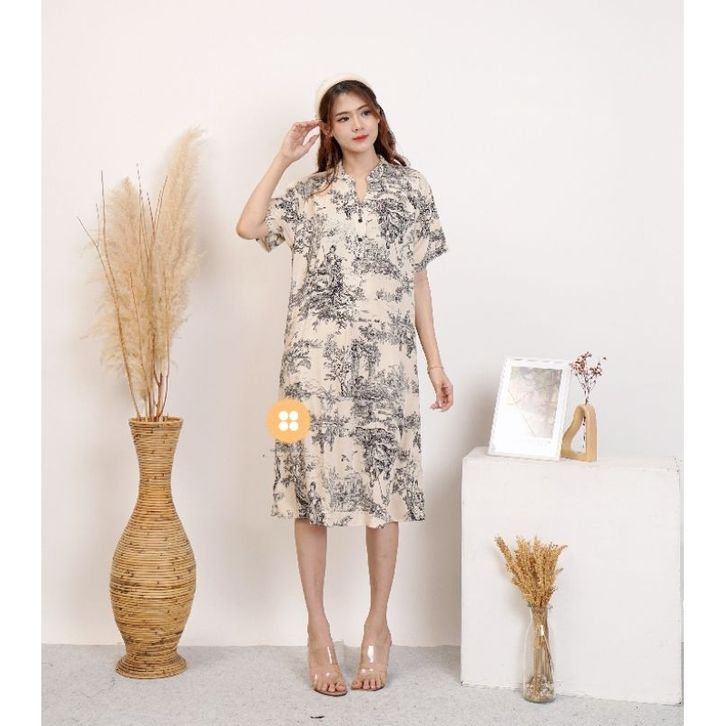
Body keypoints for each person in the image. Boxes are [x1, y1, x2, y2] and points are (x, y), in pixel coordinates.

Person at [236, 74, 453, 696]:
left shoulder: (411, 188)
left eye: (365, 112)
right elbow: (249, 227)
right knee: (310, 492)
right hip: (309, 372)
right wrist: (283, 158)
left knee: (384, 494)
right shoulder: (310, 193)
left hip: (388, 368)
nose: (358, 125)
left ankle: (378, 625)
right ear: (328, 130)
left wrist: (435, 363)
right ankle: (318, 630)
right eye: (343, 117)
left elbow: (418, 282)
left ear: (379, 117)